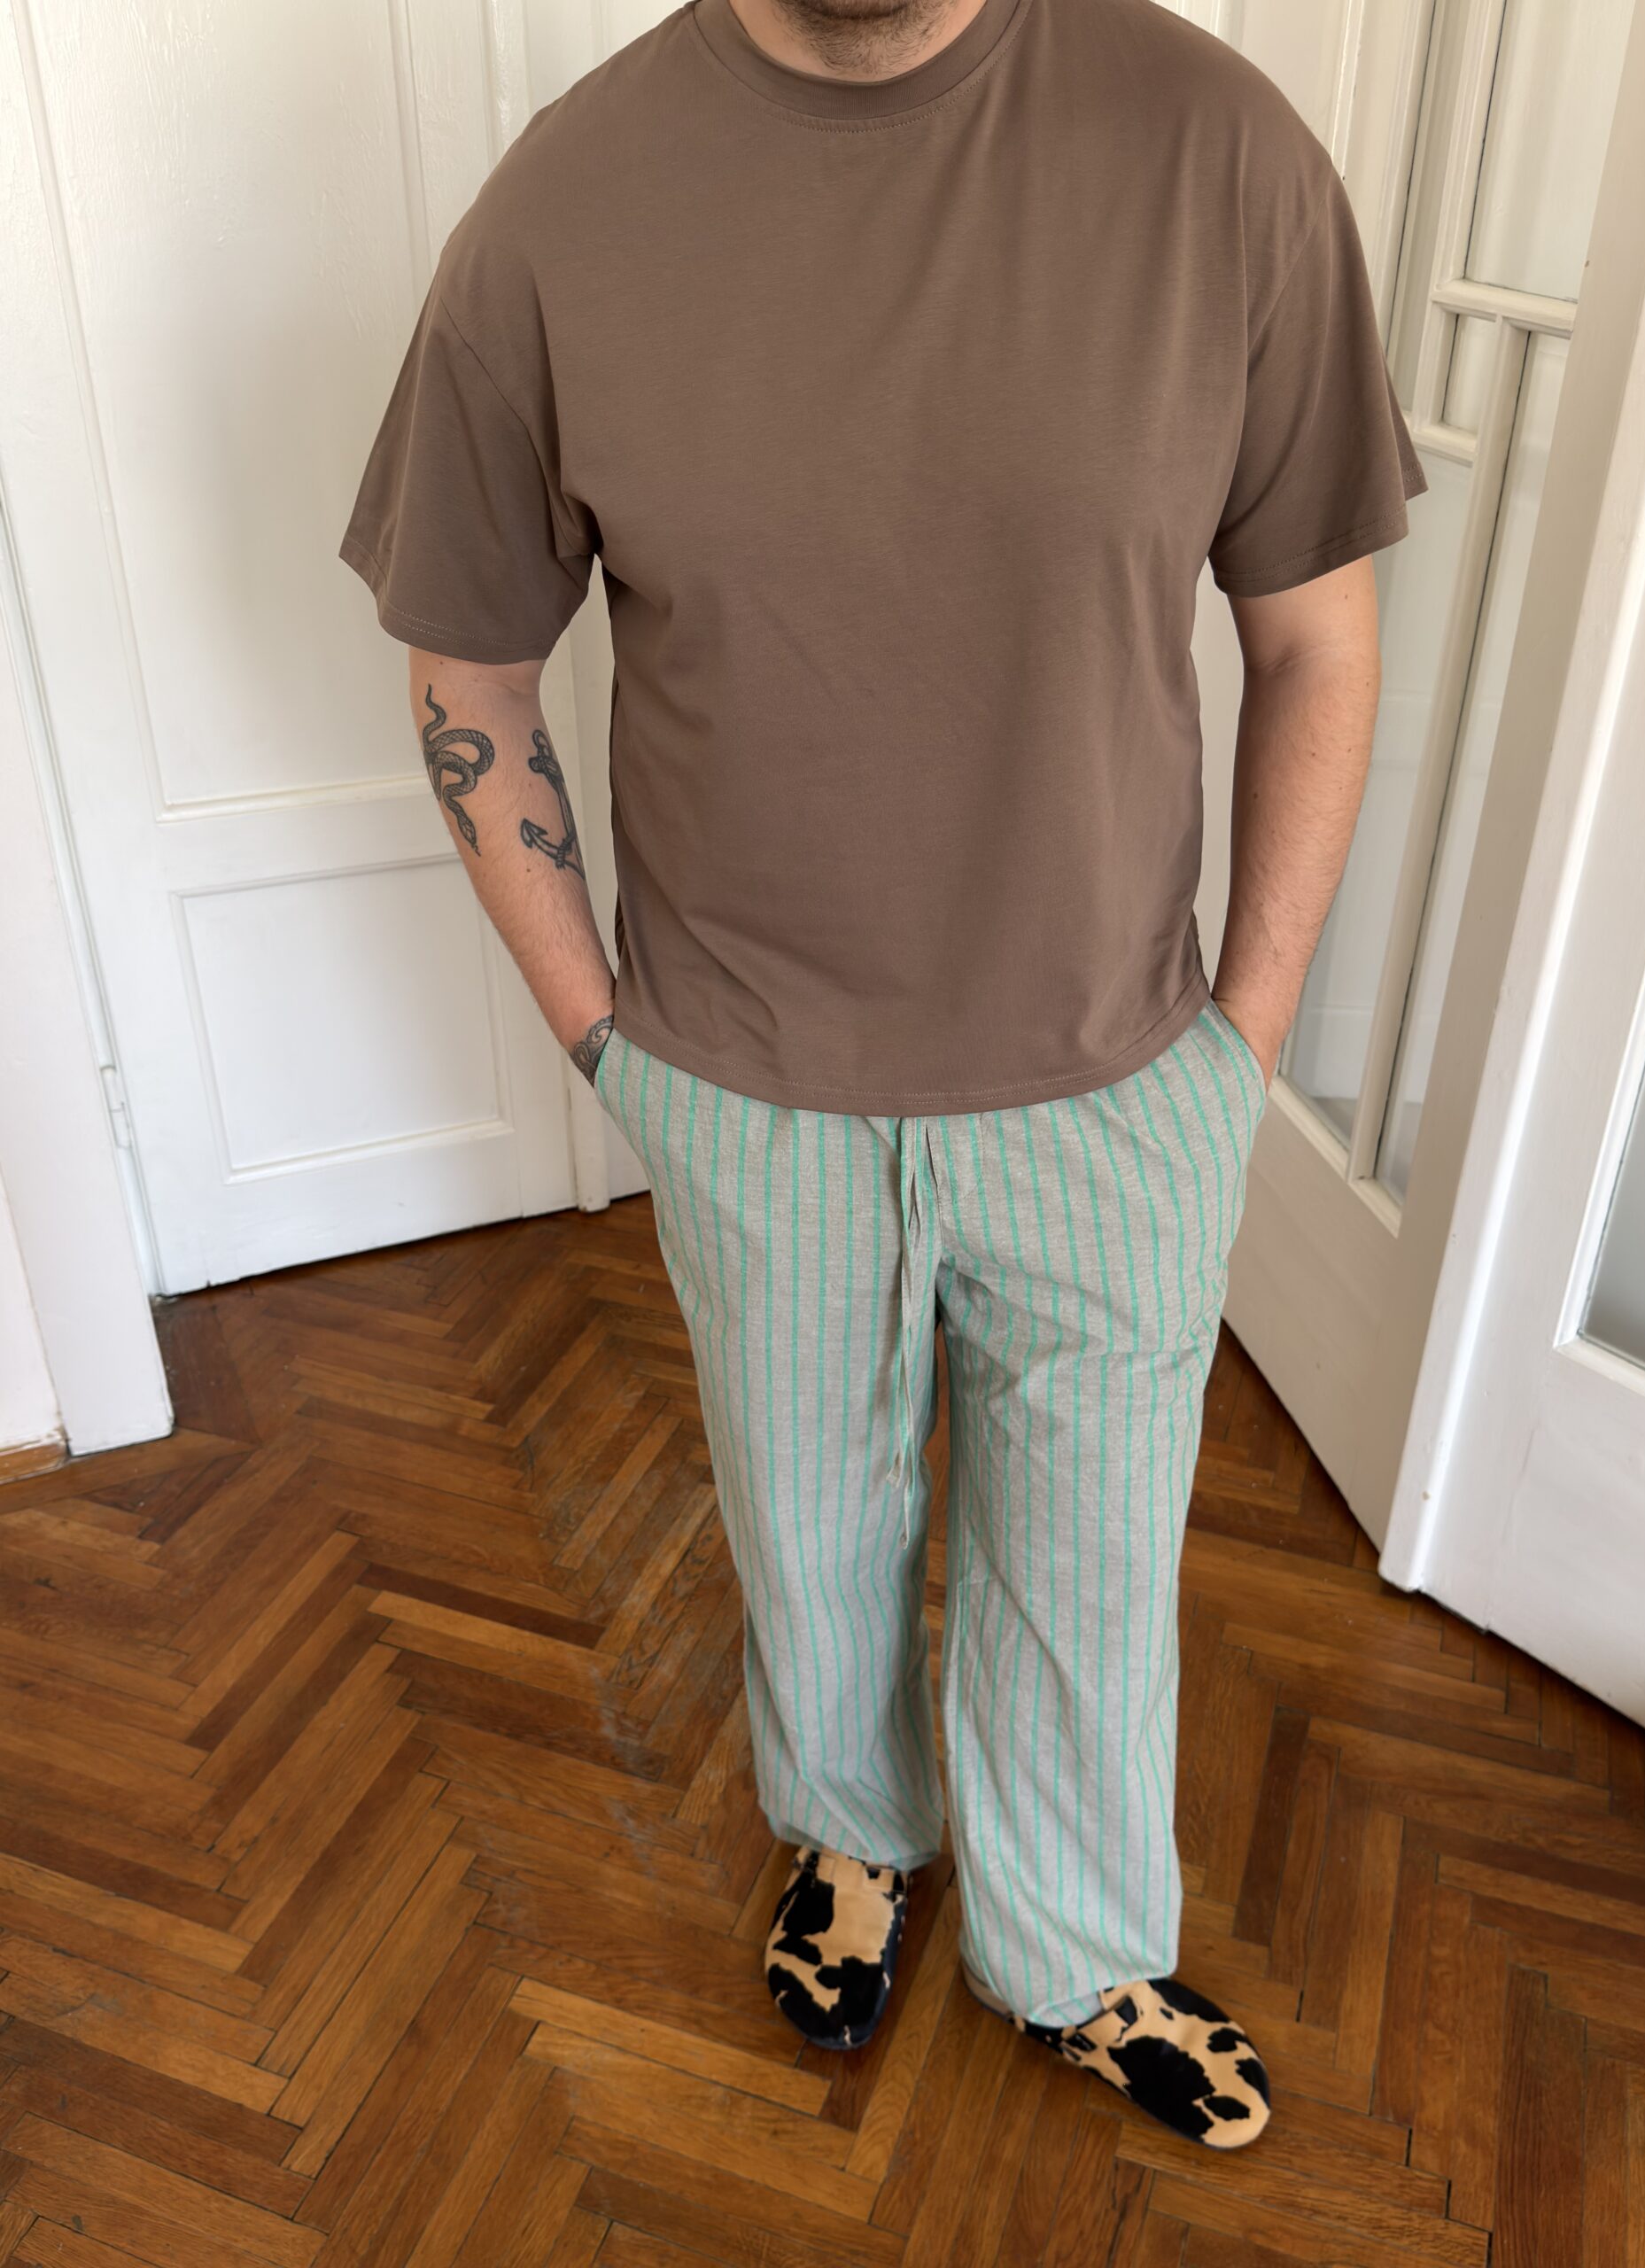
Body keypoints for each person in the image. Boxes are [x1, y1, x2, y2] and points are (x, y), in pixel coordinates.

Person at [339, 0, 1425, 2154]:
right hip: (742, 1080)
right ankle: (851, 1833)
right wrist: (600, 1035)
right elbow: (470, 660)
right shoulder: (561, 212)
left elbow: (1316, 632)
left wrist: (1243, 1042)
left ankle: (1075, 1943)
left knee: (1089, 1561)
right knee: (804, 1514)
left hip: (1118, 1074)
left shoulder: (1222, 163)